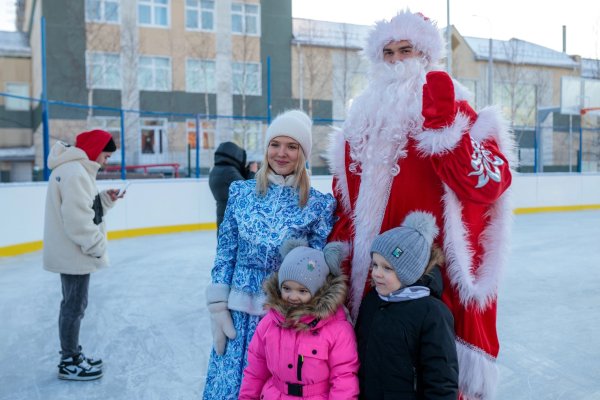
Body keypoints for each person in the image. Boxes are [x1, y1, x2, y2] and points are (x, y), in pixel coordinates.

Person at [327, 9, 515, 400]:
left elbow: (491, 184)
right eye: (389, 52)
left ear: (426, 55)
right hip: (371, 282)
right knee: (373, 372)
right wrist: (340, 255)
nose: (397, 61)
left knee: (431, 376)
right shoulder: (360, 121)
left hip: (429, 282)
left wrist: (447, 132)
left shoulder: (458, 109)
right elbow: (346, 205)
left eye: (406, 50)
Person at [203, 110, 337, 399]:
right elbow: (226, 251)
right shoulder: (241, 192)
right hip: (237, 314)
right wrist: (217, 307)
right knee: (231, 388)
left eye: (292, 146)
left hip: (284, 316)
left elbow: (315, 270)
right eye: (275, 144)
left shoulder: (318, 206)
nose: (281, 153)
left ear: (303, 153)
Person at [43, 129, 124, 381]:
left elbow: (85, 208)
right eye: (106, 156)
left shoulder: (73, 170)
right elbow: (78, 222)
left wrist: (105, 200)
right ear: (96, 149)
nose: (106, 161)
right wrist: (98, 247)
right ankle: (69, 361)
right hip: (74, 253)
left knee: (73, 305)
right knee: (74, 307)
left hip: (70, 252)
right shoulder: (76, 172)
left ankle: (72, 355)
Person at [355, 211, 458, 399]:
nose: (377, 273)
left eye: (387, 268)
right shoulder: (372, 301)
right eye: (375, 265)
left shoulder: (432, 314)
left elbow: (441, 380)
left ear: (409, 272)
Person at [239, 240, 359, 399]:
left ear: (318, 291)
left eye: (302, 291)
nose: (293, 297)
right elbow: (255, 370)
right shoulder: (269, 323)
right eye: (287, 288)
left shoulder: (337, 328)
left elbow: (343, 378)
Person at [208, 141, 258, 231]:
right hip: (233, 220)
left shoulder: (216, 170)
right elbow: (248, 192)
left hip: (223, 216)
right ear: (235, 156)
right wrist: (252, 172)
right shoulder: (229, 171)